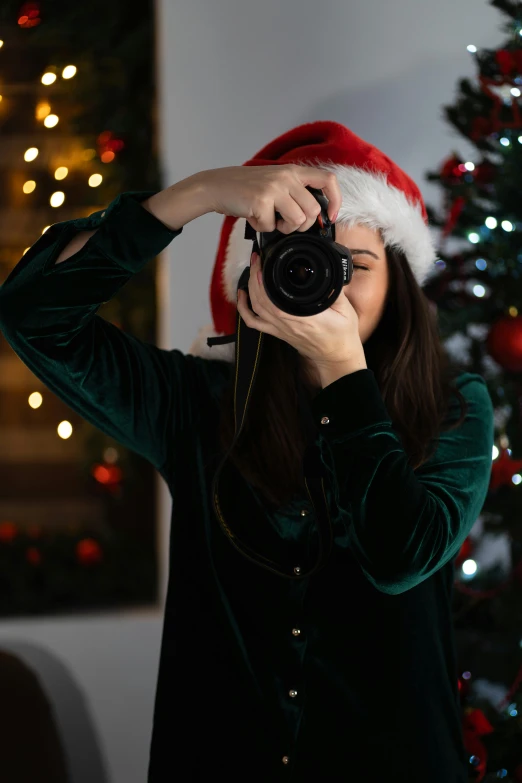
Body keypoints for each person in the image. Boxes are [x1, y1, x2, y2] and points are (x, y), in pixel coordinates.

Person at [0, 120, 494, 782]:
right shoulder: (196, 403)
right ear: (254, 273)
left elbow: (400, 554)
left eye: (357, 266)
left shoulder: (454, 406)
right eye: (305, 261)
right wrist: (197, 195)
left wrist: (344, 375)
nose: (330, 285)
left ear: (399, 283)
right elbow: (32, 314)